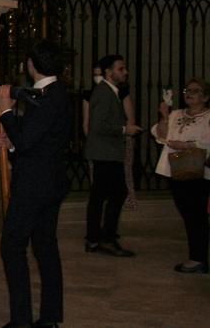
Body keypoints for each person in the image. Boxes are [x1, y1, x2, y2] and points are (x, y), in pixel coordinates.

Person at [0, 40, 71, 328]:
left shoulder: (47, 96)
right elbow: (37, 141)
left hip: (35, 185)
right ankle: (50, 317)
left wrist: (5, 112)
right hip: (49, 179)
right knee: (44, 246)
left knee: (12, 245)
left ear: (31, 65)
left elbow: (28, 140)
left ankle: (21, 321)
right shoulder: (56, 92)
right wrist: (10, 143)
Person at [151, 78, 210, 273]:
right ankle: (198, 255)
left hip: (199, 172)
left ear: (205, 97)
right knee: (188, 214)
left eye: (195, 90)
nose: (189, 93)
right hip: (176, 170)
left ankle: (198, 258)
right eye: (187, 90)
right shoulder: (176, 114)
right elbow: (160, 136)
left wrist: (186, 145)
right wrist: (164, 116)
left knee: (197, 215)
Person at [84, 54, 141, 256]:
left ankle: (95, 238)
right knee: (114, 193)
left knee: (101, 195)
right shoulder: (104, 93)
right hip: (105, 152)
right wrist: (125, 130)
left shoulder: (109, 92)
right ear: (109, 72)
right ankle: (104, 237)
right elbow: (98, 125)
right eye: (120, 69)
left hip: (107, 152)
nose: (124, 72)